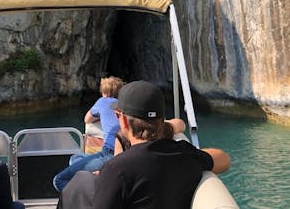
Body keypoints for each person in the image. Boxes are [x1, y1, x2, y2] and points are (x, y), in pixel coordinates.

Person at [57, 80, 231, 209]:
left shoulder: (118, 169)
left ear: (123, 120)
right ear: (162, 121)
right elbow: (224, 159)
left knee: (79, 182)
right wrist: (192, 156)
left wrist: (104, 178)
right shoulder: (186, 155)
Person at [52, 76, 124, 192]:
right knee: (75, 158)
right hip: (119, 153)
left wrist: (102, 116)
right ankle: (89, 181)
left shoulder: (103, 102)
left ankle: (86, 198)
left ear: (104, 93)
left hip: (108, 154)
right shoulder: (124, 106)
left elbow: (87, 119)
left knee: (59, 180)